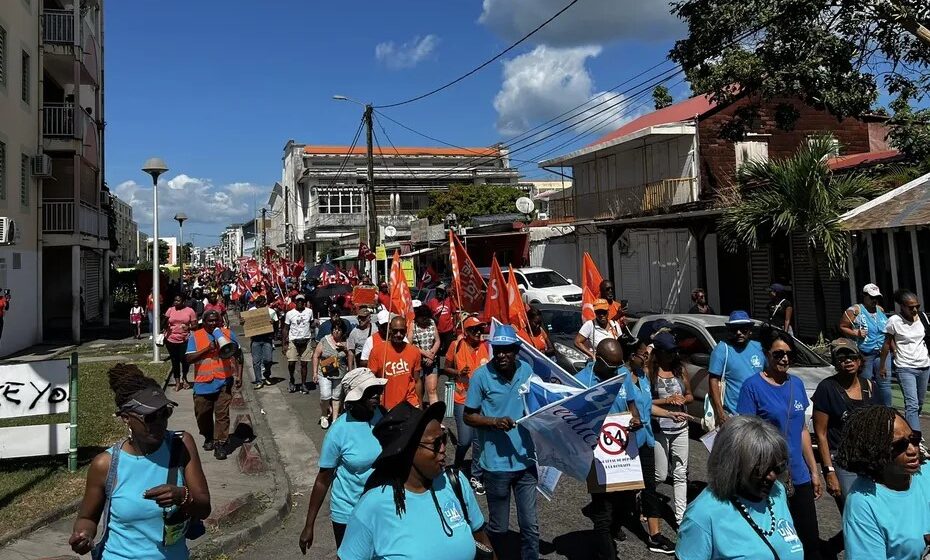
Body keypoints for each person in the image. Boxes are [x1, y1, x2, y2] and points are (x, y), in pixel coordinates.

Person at [69, 364, 211, 559]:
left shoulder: (181, 445)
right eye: (150, 417)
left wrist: (182, 496)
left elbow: (204, 508)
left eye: (165, 413)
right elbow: (87, 518)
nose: (160, 422)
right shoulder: (106, 465)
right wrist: (83, 536)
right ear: (126, 418)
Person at [337, 402, 494, 560]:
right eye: (436, 443)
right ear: (407, 451)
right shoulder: (372, 506)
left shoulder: (456, 483)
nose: (443, 448)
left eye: (444, 439)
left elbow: (484, 544)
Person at [737, 330, 823, 560]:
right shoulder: (752, 387)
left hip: (799, 475)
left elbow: (802, 429)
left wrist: (814, 471)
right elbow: (746, 434)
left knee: (809, 540)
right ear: (767, 355)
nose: (784, 359)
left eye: (789, 354)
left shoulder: (796, 383)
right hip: (769, 476)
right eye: (778, 354)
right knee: (775, 539)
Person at [676, 415, 804, 560]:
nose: (772, 476)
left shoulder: (777, 493)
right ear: (733, 466)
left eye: (777, 467)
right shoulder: (702, 514)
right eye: (761, 470)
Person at [464, 324, 539, 560]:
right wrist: (493, 422)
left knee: (531, 526)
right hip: (496, 466)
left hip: (525, 461)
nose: (501, 355)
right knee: (499, 527)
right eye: (497, 350)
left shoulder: (526, 370)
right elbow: (468, 416)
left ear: (516, 350)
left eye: (507, 350)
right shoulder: (480, 376)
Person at [298, 368, 386, 552]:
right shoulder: (338, 431)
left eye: (377, 391)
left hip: (379, 508)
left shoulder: (383, 417)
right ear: (355, 398)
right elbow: (323, 480)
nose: (376, 396)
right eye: (369, 393)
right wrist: (309, 525)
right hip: (348, 513)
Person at [835, 405, 930, 560]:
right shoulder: (863, 504)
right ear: (874, 451)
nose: (913, 450)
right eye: (899, 446)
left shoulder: (926, 472)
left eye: (914, 439)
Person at [576, 338, 637, 557]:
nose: (616, 370)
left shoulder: (622, 374)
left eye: (619, 365)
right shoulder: (581, 381)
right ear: (598, 359)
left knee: (626, 502)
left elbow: (632, 405)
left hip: (623, 449)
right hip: (596, 454)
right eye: (611, 366)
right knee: (603, 510)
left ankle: (613, 527)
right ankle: (607, 553)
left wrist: (635, 420)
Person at [625, 333, 681, 554]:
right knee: (626, 489)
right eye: (643, 354)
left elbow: (648, 408)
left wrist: (669, 414)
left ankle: (655, 536)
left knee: (649, 486)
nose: (647, 357)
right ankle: (615, 523)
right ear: (631, 356)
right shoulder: (620, 379)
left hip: (646, 439)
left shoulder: (644, 376)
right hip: (626, 443)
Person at [812, 338, 879, 513]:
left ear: (859, 360)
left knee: (874, 510)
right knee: (852, 510)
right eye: (841, 358)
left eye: (851, 356)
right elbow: (821, 434)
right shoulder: (826, 388)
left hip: (870, 461)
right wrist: (829, 471)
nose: (847, 361)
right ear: (835, 363)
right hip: (842, 461)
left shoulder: (870, 386)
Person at [649, 332, 694, 526]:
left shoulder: (680, 369)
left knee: (680, 472)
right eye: (668, 352)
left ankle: (680, 518)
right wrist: (666, 401)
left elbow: (690, 394)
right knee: (659, 474)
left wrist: (683, 399)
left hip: (681, 427)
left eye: (674, 351)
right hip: (659, 428)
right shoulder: (649, 372)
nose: (672, 355)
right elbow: (645, 402)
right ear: (658, 352)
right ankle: (644, 499)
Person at [185, 310, 242, 460]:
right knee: (202, 415)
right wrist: (206, 350)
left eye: (215, 320)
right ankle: (208, 436)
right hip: (202, 384)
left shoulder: (227, 334)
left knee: (222, 414)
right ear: (203, 322)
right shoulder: (196, 336)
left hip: (224, 381)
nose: (213, 323)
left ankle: (220, 444)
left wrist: (239, 376)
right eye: (209, 321)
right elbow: (188, 358)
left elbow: (238, 354)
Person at [444, 316, 490, 495]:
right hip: (462, 399)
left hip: (482, 400)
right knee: (465, 440)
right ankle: (458, 464)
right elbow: (445, 367)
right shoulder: (456, 346)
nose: (479, 333)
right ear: (466, 332)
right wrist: (457, 372)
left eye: (480, 329)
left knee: (479, 441)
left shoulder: (487, 347)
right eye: (474, 330)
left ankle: (476, 476)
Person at [881, 289, 930, 438]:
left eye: (917, 306)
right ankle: (915, 439)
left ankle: (909, 426)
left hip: (924, 365)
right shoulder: (894, 321)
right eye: (910, 307)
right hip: (905, 367)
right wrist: (883, 365)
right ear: (902, 306)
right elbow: (887, 344)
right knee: (912, 404)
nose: (915, 309)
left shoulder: (922, 317)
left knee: (920, 403)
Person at [708, 310, 766, 425]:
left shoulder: (759, 348)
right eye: (735, 329)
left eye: (743, 329)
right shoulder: (722, 349)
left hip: (759, 413)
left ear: (749, 330)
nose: (739, 332)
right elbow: (713, 380)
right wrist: (720, 412)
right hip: (733, 414)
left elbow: (769, 375)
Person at [838, 283, 892, 406]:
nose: (874, 300)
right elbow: (843, 326)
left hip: (882, 353)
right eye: (872, 297)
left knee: (885, 384)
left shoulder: (880, 310)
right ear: (864, 296)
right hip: (865, 353)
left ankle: (887, 411)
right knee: (866, 383)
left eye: (877, 297)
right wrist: (856, 332)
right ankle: (868, 409)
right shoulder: (855, 310)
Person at [367, 316, 422, 410]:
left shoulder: (414, 351)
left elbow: (417, 380)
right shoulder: (377, 351)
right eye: (395, 331)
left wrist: (420, 404)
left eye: (402, 331)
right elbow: (370, 380)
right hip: (386, 406)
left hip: (410, 403)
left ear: (406, 331)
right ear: (390, 330)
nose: (399, 334)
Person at [311, 318, 349, 429]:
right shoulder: (324, 340)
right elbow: (316, 355)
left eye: (339, 330)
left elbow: (350, 356)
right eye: (334, 329)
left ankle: (335, 419)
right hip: (324, 373)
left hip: (339, 374)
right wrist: (314, 373)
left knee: (336, 397)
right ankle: (324, 414)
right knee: (325, 395)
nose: (336, 331)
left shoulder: (346, 342)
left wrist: (345, 349)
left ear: (343, 331)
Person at [164, 296, 198, 392]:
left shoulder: (189, 311)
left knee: (185, 360)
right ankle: (177, 382)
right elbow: (164, 322)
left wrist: (189, 328)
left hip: (185, 339)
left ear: (183, 301)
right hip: (171, 339)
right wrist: (165, 324)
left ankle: (185, 377)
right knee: (174, 361)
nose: (176, 302)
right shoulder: (170, 310)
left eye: (178, 300)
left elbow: (195, 325)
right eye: (175, 300)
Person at [283, 294, 316, 394]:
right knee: (291, 362)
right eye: (298, 301)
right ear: (295, 302)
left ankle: (303, 384)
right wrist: (284, 343)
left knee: (304, 364)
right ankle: (292, 379)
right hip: (293, 340)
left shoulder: (309, 311)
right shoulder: (289, 314)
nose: (300, 302)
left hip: (306, 340)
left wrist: (315, 324)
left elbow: (311, 324)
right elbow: (286, 328)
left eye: (302, 301)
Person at [412, 303, 441, 405]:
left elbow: (437, 341)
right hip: (417, 362)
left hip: (431, 360)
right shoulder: (412, 325)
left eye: (426, 318)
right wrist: (425, 353)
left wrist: (431, 355)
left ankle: (435, 414)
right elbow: (409, 344)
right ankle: (419, 411)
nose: (424, 321)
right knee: (418, 391)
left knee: (432, 390)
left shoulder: (431, 323)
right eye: (422, 318)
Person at [247, 295, 277, 389]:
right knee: (256, 362)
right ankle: (259, 380)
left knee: (268, 360)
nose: (259, 306)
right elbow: (247, 324)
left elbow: (276, 323)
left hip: (267, 339)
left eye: (261, 304)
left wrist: (273, 327)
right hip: (256, 339)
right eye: (258, 304)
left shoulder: (271, 312)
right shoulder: (251, 311)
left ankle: (267, 374)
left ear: (265, 304)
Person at [427, 283, 457, 357]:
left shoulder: (449, 301)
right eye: (437, 291)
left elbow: (454, 313)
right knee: (437, 350)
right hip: (437, 331)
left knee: (448, 349)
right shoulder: (432, 302)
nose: (439, 293)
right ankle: (438, 365)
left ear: (444, 292)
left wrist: (454, 326)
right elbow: (427, 314)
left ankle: (445, 365)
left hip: (448, 331)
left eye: (441, 291)